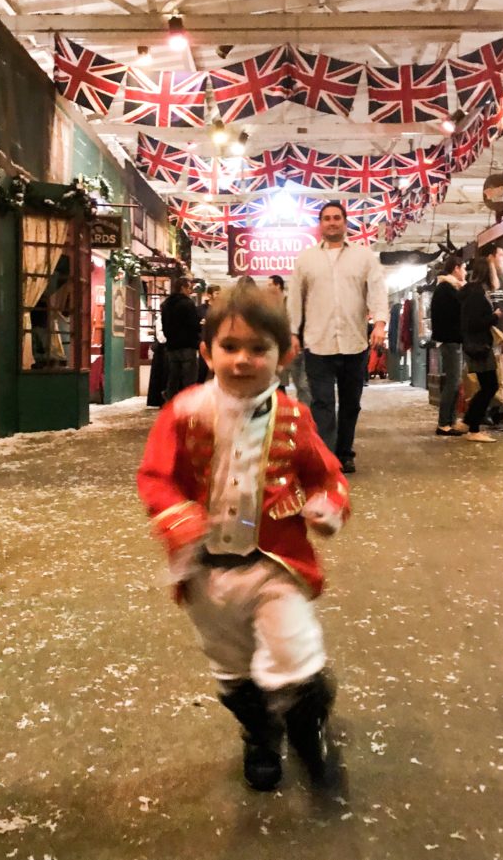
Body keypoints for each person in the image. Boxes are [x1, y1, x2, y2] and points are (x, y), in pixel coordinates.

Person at [137, 285, 350, 793]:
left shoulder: (295, 420)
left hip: (273, 564)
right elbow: (154, 476)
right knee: (232, 669)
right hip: (206, 571)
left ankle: (307, 728)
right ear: (207, 351)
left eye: (259, 349)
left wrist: (328, 506)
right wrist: (177, 517)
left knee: (296, 654)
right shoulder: (184, 411)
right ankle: (259, 735)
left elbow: (328, 476)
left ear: (286, 355)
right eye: (230, 347)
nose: (243, 360)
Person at [288, 201, 388, 475]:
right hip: (317, 343)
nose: (332, 222)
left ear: (345, 223)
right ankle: (327, 456)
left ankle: (345, 453)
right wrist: (293, 333)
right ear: (320, 224)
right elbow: (295, 299)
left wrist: (380, 323)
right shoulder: (306, 259)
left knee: (350, 403)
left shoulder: (364, 257)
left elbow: (377, 290)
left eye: (336, 218)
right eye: (326, 218)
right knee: (321, 403)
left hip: (354, 342)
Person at [459, 256, 502, 443]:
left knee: (488, 385)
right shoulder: (477, 294)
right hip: (479, 345)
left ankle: (468, 422)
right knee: (490, 385)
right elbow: (475, 322)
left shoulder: (470, 291)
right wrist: (494, 316)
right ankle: (473, 426)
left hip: (475, 344)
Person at [430, 255, 467, 436]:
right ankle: (444, 423)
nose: (465, 272)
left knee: (454, 382)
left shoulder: (446, 288)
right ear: (456, 268)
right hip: (451, 342)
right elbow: (455, 315)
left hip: (450, 341)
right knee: (452, 383)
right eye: (464, 268)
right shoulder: (447, 289)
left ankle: (449, 421)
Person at [480, 243, 503, 432]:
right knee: (493, 376)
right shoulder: (482, 283)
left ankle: (495, 412)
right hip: (487, 336)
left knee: (498, 375)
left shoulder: (502, 281)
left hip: (496, 335)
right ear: (491, 257)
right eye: (500, 254)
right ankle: (493, 412)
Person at [267, 274, 311, 407]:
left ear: (278, 285)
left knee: (303, 385)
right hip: (279, 352)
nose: (267, 288)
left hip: (297, 348)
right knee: (278, 384)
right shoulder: (270, 307)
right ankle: (281, 412)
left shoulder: (290, 303)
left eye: (269, 285)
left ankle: (306, 413)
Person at [160, 276, 201, 401]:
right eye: (189, 288)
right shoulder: (188, 303)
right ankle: (189, 404)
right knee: (189, 379)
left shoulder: (166, 304)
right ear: (183, 288)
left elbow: (164, 324)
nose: (191, 291)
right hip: (187, 346)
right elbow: (193, 325)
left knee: (173, 378)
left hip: (172, 346)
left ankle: (171, 403)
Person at [196, 284, 221, 383]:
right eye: (217, 293)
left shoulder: (222, 310)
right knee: (202, 371)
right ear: (210, 295)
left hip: (217, 344)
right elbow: (195, 327)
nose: (219, 296)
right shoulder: (200, 310)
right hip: (204, 344)